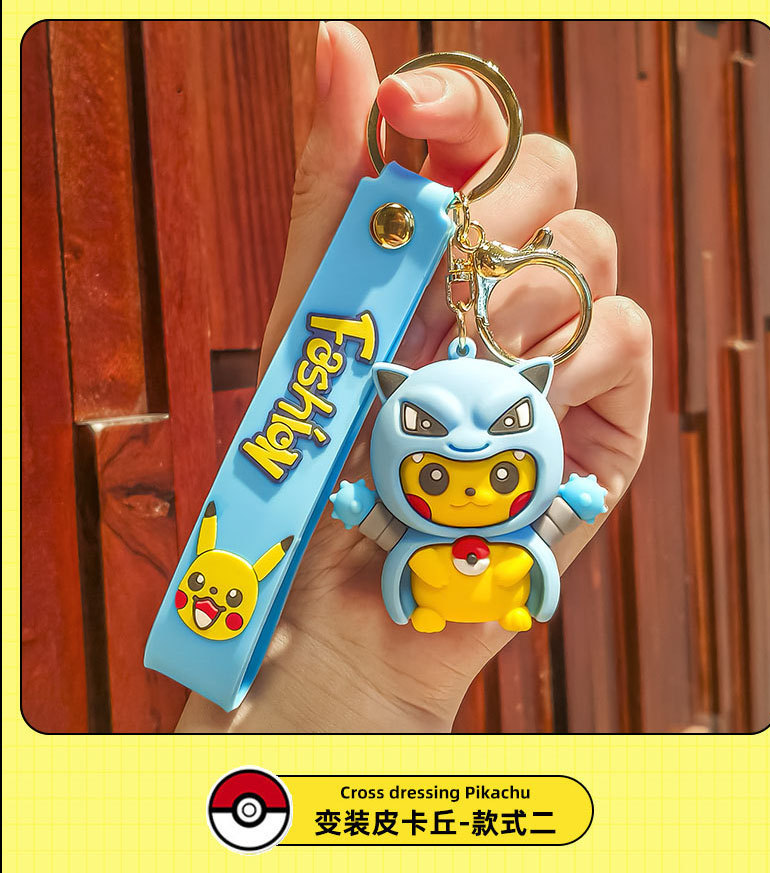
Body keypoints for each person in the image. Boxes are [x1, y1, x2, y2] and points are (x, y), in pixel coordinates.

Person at [177, 21, 652, 733]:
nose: (470, 478)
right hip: (400, 589)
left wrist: (570, 500)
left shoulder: (484, 512)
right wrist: (328, 665)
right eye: (434, 475)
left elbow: (538, 536)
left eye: (500, 475)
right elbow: (386, 523)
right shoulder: (395, 504)